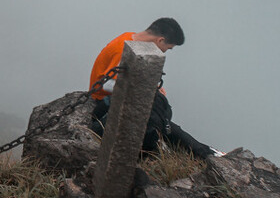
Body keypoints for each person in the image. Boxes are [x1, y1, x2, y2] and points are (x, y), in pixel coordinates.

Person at [89, 18, 219, 158]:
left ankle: (208, 153)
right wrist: (147, 90)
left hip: (121, 100)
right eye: (167, 48)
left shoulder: (131, 38)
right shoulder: (122, 47)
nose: (165, 52)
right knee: (161, 121)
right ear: (160, 40)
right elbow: (106, 84)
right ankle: (207, 154)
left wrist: (152, 88)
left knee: (163, 121)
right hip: (104, 104)